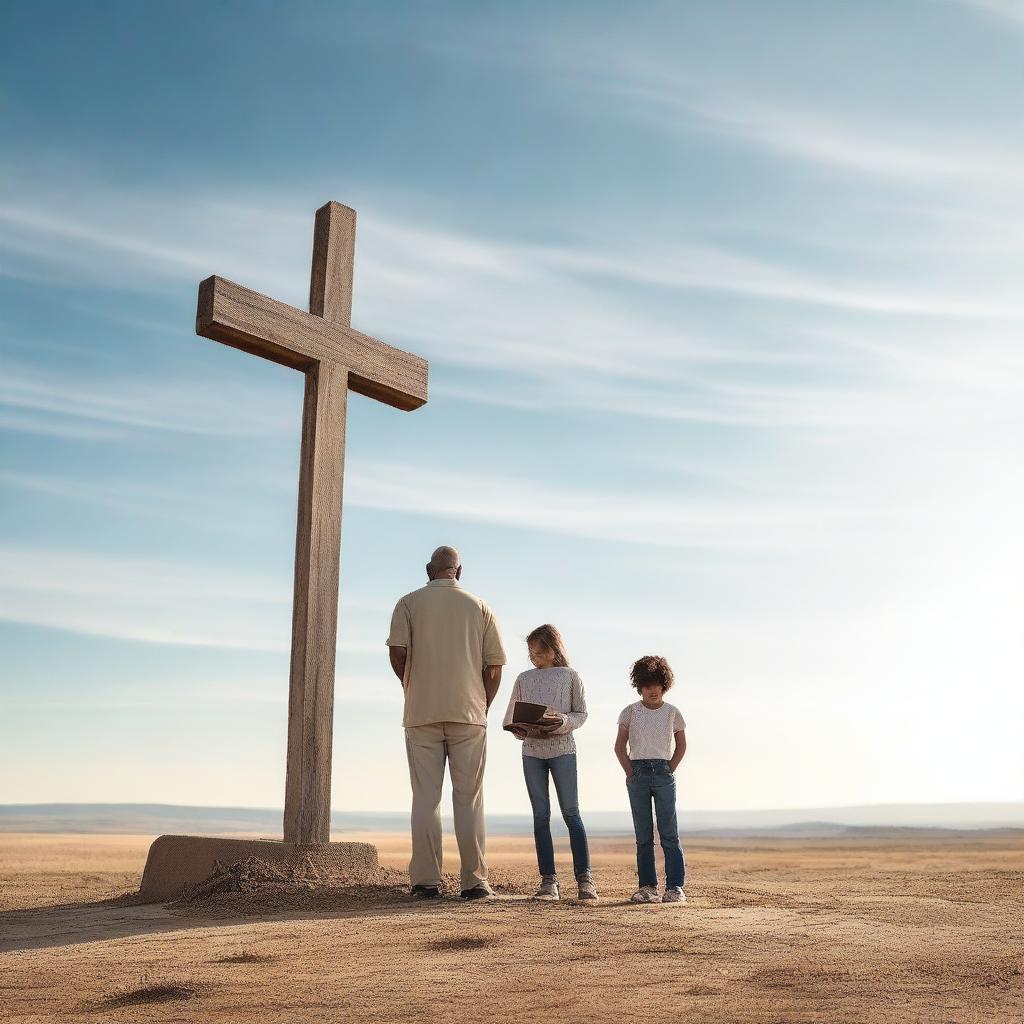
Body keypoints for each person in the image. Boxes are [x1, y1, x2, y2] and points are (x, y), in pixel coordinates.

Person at [387, 545, 506, 900]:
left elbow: (397, 652)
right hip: (469, 713)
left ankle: (425, 881)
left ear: (428, 569)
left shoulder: (407, 603)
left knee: (425, 797)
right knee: (468, 798)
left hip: (421, 711)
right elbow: (495, 666)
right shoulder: (479, 607)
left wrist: (411, 685)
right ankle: (474, 881)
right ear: (460, 571)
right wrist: (482, 704)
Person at [503, 624, 597, 901]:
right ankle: (548, 882)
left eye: (538, 651)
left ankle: (585, 881)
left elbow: (581, 714)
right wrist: (518, 728)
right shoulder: (523, 678)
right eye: (530, 652)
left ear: (554, 650)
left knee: (571, 813)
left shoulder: (570, 676)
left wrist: (563, 721)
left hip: (563, 750)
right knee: (540, 816)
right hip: (532, 752)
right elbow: (511, 715)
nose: (533, 657)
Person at [614, 655, 687, 904]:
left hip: (663, 774)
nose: (653, 690)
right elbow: (619, 747)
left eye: (657, 684)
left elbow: (681, 745)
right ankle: (647, 887)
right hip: (638, 775)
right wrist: (630, 773)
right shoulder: (630, 712)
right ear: (640, 686)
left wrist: (670, 768)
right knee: (643, 835)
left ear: (664, 685)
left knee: (669, 833)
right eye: (647, 685)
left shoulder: (672, 713)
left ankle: (675, 888)